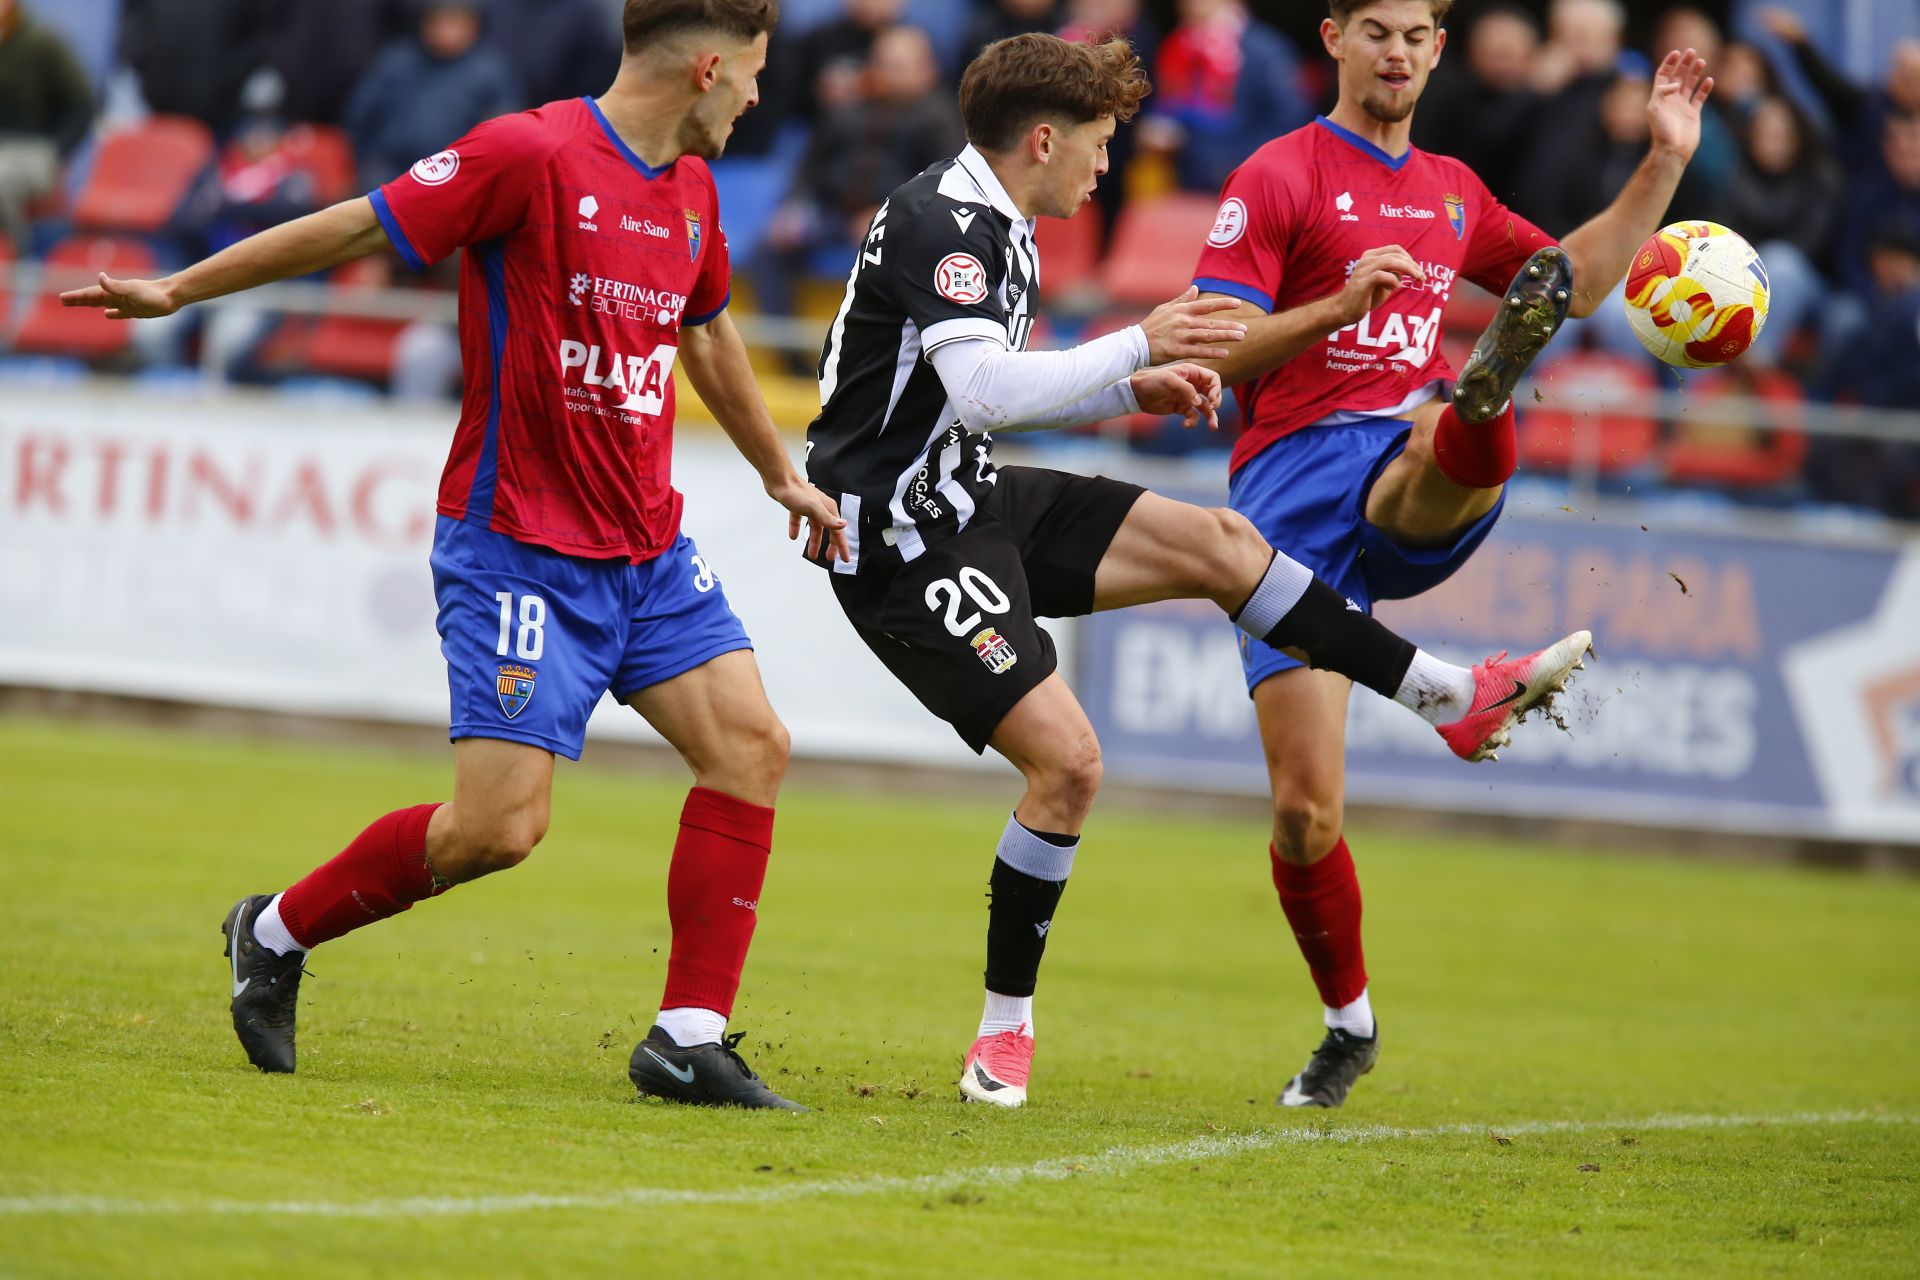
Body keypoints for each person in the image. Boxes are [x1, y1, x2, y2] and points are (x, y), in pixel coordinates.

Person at [63, 0, 849, 1111]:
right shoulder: (527, 152)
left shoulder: (693, 191)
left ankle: (687, 1036)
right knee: (496, 829)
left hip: (648, 545)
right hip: (519, 548)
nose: (760, 97)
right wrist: (179, 288)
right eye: (756, 74)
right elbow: (354, 225)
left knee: (752, 745)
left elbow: (709, 329)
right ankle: (274, 928)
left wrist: (778, 472)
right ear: (709, 64)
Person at [802, 32, 1593, 1109]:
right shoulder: (951, 224)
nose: (1105, 166)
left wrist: (1141, 384)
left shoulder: (1000, 218)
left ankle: (1448, 695)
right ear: (1043, 138)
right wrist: (1139, 349)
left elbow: (983, 403)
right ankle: (1003, 1034)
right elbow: (986, 389)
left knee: (1226, 545)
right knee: (1069, 766)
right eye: (1097, 145)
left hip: (967, 495)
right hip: (899, 540)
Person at [1185, 0, 1713, 1107]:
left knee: (1437, 424)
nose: (1398, 51)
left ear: (1438, 47)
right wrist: (1341, 303)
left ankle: (1482, 402)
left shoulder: (1452, 192)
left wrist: (1661, 163)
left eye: (1419, 33)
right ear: (1332, 37)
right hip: (1284, 489)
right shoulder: (1275, 177)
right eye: (1376, 28)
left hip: (1401, 457)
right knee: (1303, 811)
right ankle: (1349, 1026)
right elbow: (1221, 347)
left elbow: (1569, 282)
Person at [343, 0, 524, 191]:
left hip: (455, 177)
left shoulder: (491, 72)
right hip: (389, 171)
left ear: (474, 26)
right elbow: (361, 115)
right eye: (438, 20)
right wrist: (365, 160)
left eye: (455, 21)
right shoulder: (397, 61)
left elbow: (503, 133)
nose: (446, 31)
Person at [0, 0, 93, 251]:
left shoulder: (42, 41)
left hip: (35, 150)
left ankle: (18, 257)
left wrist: (58, 154)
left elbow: (82, 103)